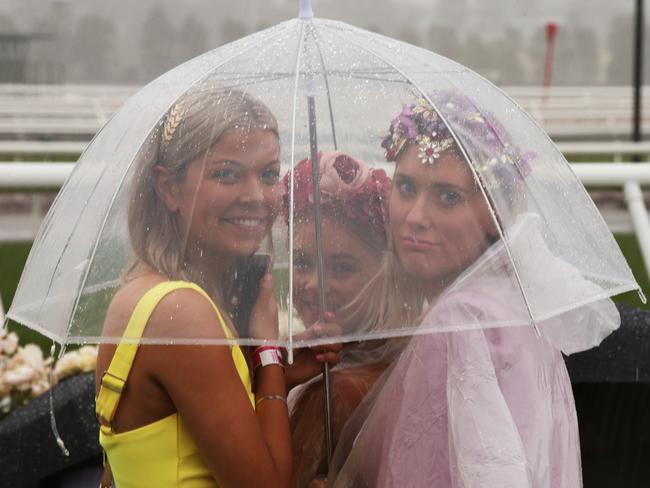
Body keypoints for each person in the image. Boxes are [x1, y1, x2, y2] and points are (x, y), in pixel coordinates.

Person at [328, 92, 621, 487]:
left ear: (492, 213)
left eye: (448, 197)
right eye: (407, 187)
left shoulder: (461, 319)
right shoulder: (518, 304)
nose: (415, 217)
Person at [94, 87, 338, 488]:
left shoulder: (152, 291)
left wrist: (270, 371)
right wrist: (267, 354)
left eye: (268, 174)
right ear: (168, 187)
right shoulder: (181, 313)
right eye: (226, 173)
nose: (256, 196)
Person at [282, 151, 405, 487]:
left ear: (384, 272)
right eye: (302, 262)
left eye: (342, 268)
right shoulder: (404, 355)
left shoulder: (333, 391)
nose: (313, 285)